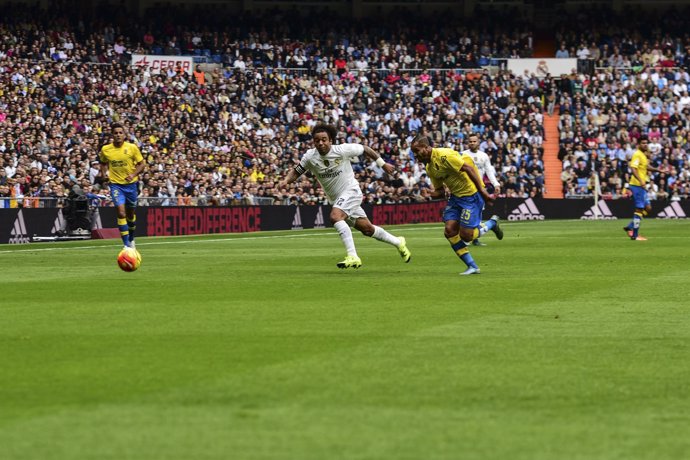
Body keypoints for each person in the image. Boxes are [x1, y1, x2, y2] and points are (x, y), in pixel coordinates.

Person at [278, 123, 411, 269]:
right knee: (367, 229)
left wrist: (383, 164)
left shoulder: (342, 150)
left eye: (324, 139)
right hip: (338, 199)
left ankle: (353, 255)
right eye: (317, 140)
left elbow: (365, 149)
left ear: (331, 141)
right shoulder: (310, 156)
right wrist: (285, 181)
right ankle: (398, 242)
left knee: (335, 217)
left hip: (351, 191)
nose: (321, 143)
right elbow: (297, 171)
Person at [410, 134, 503, 275]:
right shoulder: (430, 168)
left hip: (471, 195)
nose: (415, 155)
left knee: (467, 236)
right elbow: (440, 192)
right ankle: (472, 266)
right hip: (455, 197)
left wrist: (483, 192)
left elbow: (469, 169)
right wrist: (429, 195)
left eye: (417, 151)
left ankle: (491, 223)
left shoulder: (444, 155)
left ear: (426, 147)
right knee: (449, 231)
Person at [99, 123, 145, 249]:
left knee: (130, 215)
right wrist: (104, 174)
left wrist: (133, 174)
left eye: (120, 133)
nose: (118, 135)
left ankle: (131, 238)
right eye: (116, 133)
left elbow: (142, 164)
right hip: (116, 185)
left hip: (131, 185)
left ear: (124, 135)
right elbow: (103, 163)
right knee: (121, 212)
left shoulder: (132, 148)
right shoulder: (106, 149)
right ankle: (126, 245)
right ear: (112, 135)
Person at [623, 135, 666, 241]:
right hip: (637, 185)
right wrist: (641, 180)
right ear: (639, 144)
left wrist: (658, 170)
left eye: (646, 143)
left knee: (648, 208)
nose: (645, 144)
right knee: (639, 209)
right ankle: (635, 235)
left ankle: (631, 225)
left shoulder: (643, 155)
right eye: (643, 143)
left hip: (642, 185)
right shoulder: (637, 154)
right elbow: (633, 169)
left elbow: (646, 167)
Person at [462, 133, 501, 246]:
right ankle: (468, 235)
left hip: (479, 189)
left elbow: (489, 171)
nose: (472, 143)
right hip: (465, 188)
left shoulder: (483, 156)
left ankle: (474, 239)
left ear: (478, 143)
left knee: (477, 213)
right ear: (467, 142)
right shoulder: (463, 155)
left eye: (474, 141)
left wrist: (496, 184)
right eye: (470, 141)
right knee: (464, 212)